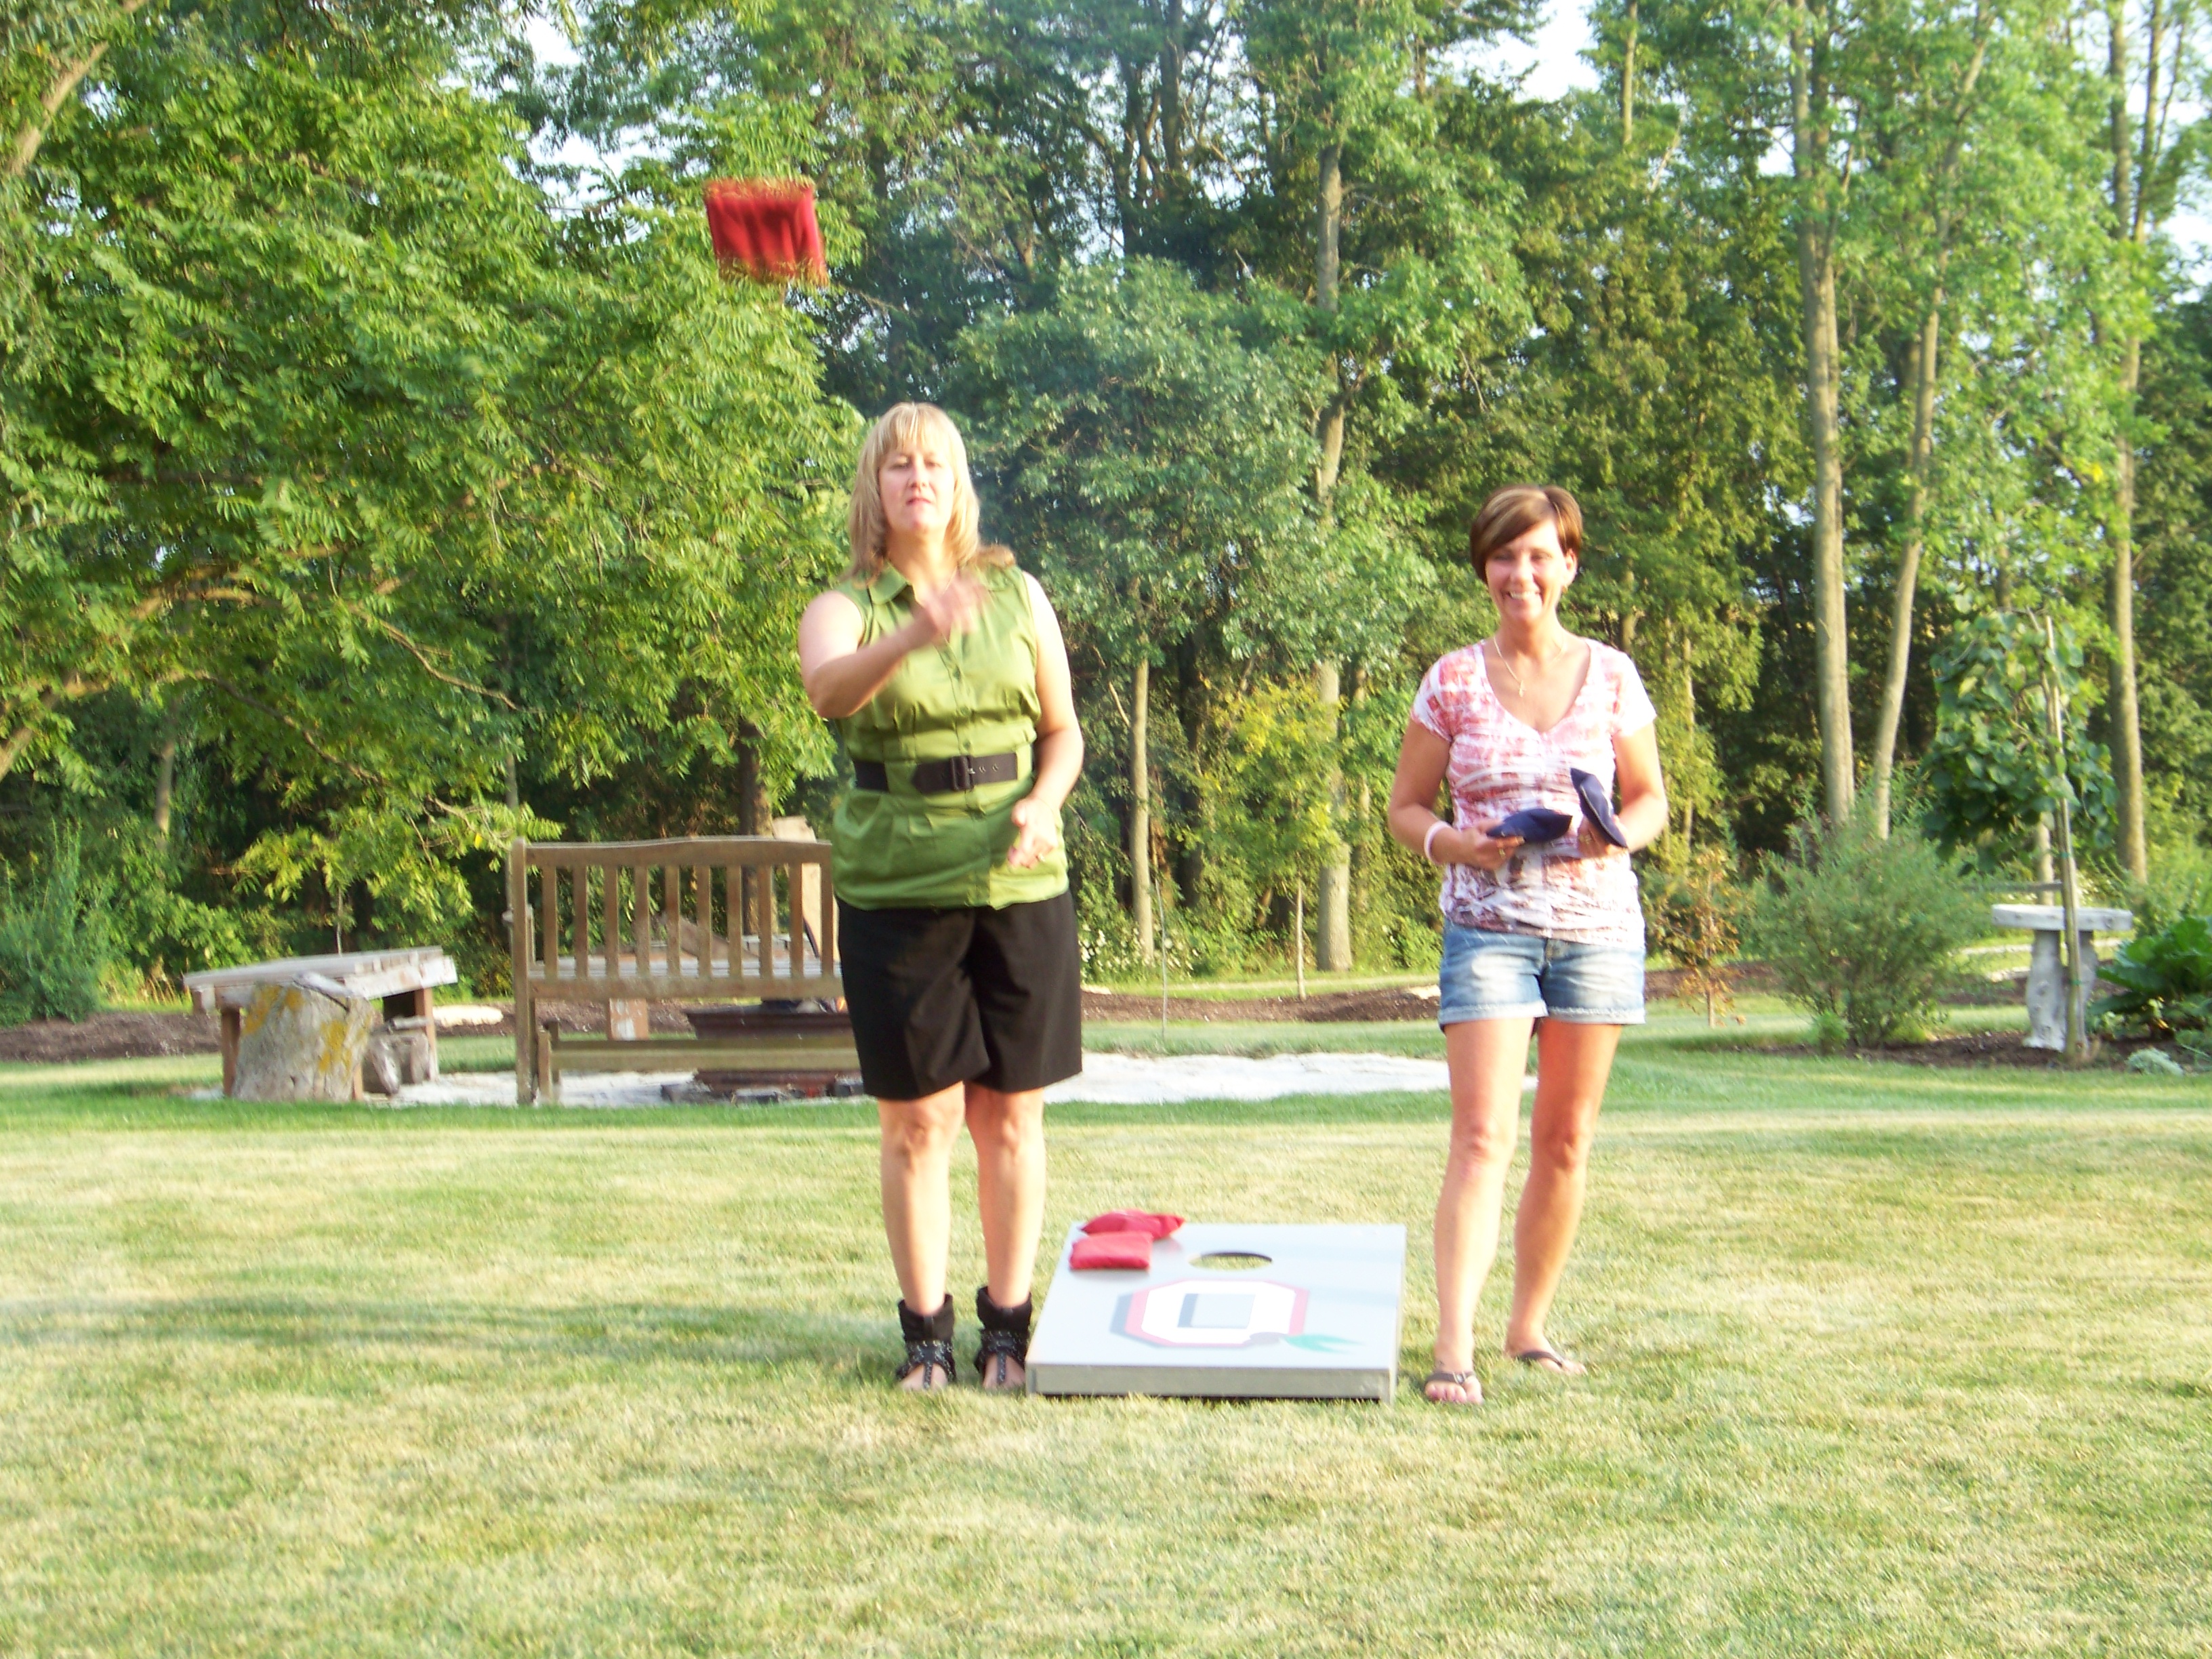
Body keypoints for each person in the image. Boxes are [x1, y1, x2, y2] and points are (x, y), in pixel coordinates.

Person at [796, 403, 1084, 1392]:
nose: (918, 478)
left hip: (1019, 880)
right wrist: (917, 631)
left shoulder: (1018, 594)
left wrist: (1043, 803)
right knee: (919, 1123)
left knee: (1010, 1117)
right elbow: (830, 692)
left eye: (936, 464)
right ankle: (926, 1337)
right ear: (874, 489)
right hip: (900, 888)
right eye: (899, 466)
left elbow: (1063, 733)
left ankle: (1007, 1330)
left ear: (959, 485)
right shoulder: (845, 608)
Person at [1386, 485, 1667, 1407]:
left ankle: (1529, 1330)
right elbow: (1404, 809)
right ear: (1486, 569)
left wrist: (1615, 836)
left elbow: (1651, 800)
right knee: (1481, 1137)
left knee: (1567, 1140)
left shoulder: (1614, 675)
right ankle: (1453, 1350)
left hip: (1597, 933)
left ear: (1570, 565)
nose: (1522, 573)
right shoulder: (1451, 680)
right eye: (1505, 556)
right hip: (1488, 931)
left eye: (1540, 554)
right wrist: (1454, 843)